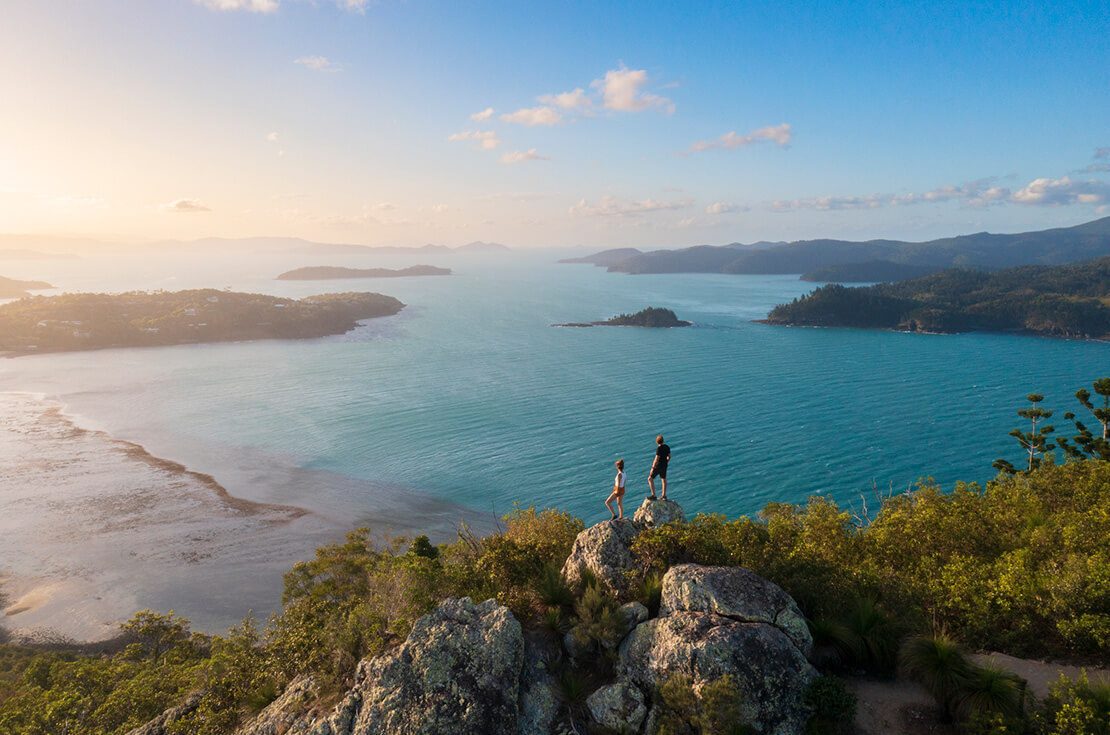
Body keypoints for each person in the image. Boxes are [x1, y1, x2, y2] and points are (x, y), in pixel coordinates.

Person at [648, 434, 671, 500]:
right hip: (664, 465)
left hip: (658, 466)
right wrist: (666, 461)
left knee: (650, 479)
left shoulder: (659, 449)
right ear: (663, 441)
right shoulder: (667, 447)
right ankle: (664, 495)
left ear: (657, 442)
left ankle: (653, 495)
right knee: (663, 479)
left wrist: (652, 468)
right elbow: (669, 456)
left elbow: (656, 459)